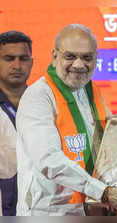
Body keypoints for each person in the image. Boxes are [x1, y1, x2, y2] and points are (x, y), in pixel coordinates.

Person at [16, 24, 117, 216]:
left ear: (96, 58)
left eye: (87, 57)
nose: (79, 64)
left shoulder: (91, 90)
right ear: (54, 56)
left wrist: (115, 132)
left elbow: (95, 149)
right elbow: (49, 160)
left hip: (90, 208)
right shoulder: (38, 97)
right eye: (70, 56)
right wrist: (104, 193)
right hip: (50, 211)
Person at [0, 31, 33, 216]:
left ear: (32, 62)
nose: (17, 66)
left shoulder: (45, 102)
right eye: (9, 58)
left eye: (23, 58)